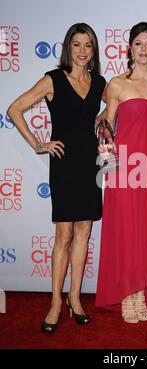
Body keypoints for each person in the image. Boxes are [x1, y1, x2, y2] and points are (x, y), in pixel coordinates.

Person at [7, 23, 107, 333]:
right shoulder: (53, 80)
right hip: (64, 166)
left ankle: (74, 299)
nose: (81, 51)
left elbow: (115, 107)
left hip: (90, 165)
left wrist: (103, 118)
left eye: (87, 45)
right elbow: (14, 109)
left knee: (84, 232)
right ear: (68, 48)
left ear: (93, 51)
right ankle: (54, 302)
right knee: (64, 236)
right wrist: (39, 144)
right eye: (76, 44)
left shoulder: (100, 82)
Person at [95, 21, 147, 323]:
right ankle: (129, 293)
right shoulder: (116, 83)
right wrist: (104, 144)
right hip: (124, 167)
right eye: (138, 43)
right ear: (129, 47)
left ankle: (142, 290)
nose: (143, 49)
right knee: (126, 231)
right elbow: (105, 124)